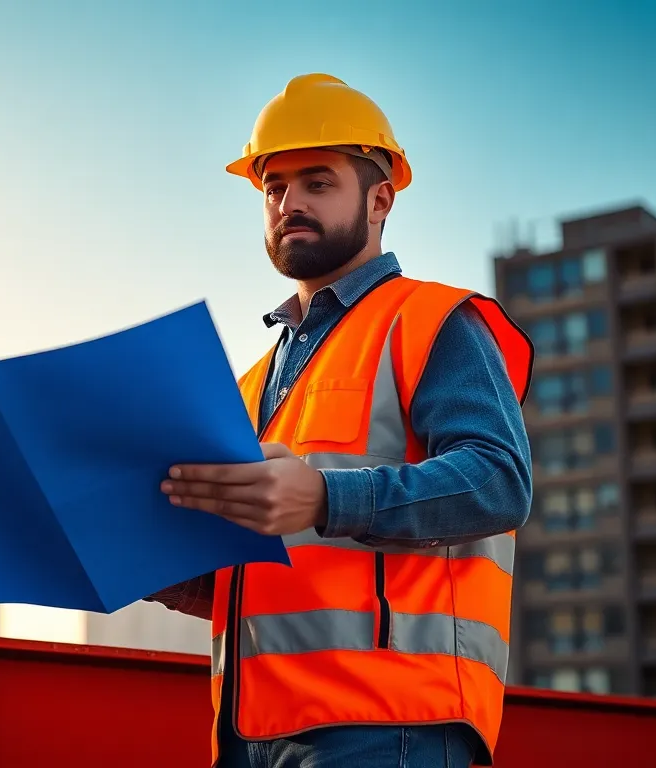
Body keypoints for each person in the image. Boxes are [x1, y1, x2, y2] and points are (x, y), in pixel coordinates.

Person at [146, 74, 535, 768]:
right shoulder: (254, 382)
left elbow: (500, 481)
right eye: (274, 187)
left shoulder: (433, 321)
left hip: (389, 729)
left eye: (317, 182)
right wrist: (153, 566)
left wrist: (324, 495)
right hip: (251, 734)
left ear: (380, 199)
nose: (289, 202)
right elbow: (275, 581)